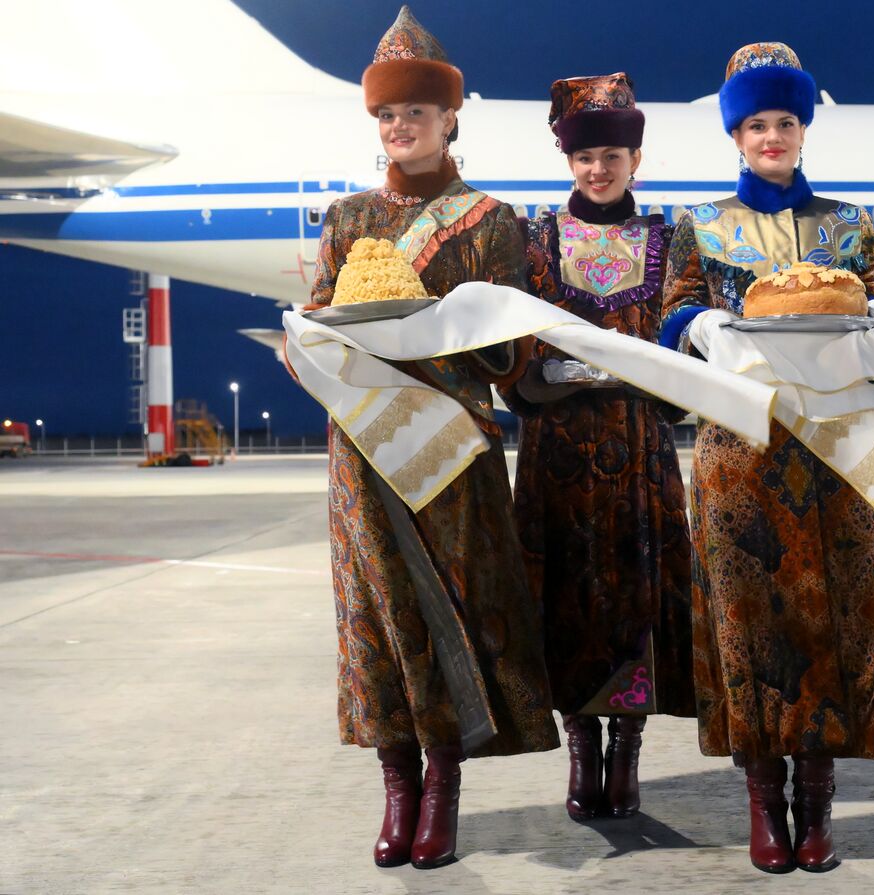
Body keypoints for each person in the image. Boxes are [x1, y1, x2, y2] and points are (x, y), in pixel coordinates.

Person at [659, 43, 874, 874]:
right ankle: (762, 808)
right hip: (738, 456)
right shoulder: (699, 225)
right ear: (735, 137)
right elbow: (671, 317)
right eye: (755, 125)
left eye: (785, 121)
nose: (771, 136)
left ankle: (815, 810)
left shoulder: (849, 223)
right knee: (752, 635)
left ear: (803, 129)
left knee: (838, 626)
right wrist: (703, 326)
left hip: (835, 450)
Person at [301, 6, 557, 870]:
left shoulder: (491, 221)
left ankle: (444, 786)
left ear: (450, 119)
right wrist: (310, 339)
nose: (400, 126)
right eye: (386, 114)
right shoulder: (344, 221)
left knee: (458, 605)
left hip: (452, 451)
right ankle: (396, 785)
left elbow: (511, 351)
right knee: (376, 619)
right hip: (365, 453)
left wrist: (469, 328)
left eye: (415, 112)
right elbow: (320, 329)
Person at [500, 73, 695, 823]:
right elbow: (514, 339)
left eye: (612, 155)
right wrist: (540, 374)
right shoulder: (536, 237)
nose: (598, 169)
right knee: (567, 598)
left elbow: (683, 338)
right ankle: (582, 747)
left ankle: (629, 748)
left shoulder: (667, 237)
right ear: (569, 161)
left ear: (635, 160)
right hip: (558, 450)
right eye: (585, 158)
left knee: (635, 597)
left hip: (639, 448)